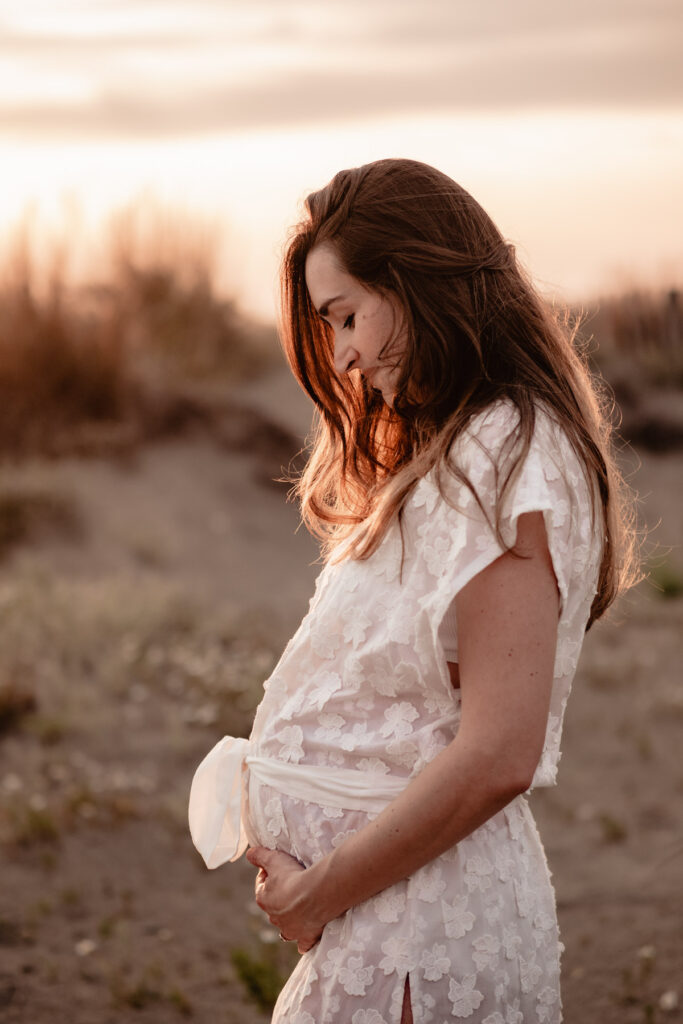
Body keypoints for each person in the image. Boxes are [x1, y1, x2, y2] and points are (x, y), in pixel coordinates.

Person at [188, 158, 638, 1023]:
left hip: (421, 934)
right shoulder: (469, 448)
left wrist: (319, 891)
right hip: (390, 918)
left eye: (346, 316)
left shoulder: (508, 456)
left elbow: (499, 753)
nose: (344, 356)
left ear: (420, 282)